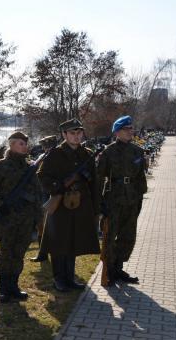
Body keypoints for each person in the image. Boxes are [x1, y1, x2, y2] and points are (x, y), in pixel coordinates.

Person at [37, 119, 100, 292]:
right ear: (64, 135)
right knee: (58, 242)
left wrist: (97, 208)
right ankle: (59, 279)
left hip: (81, 204)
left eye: (79, 133)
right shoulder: (54, 154)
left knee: (73, 241)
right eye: (72, 133)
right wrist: (59, 187)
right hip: (60, 204)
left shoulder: (87, 154)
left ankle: (70, 278)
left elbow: (95, 182)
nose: (77, 136)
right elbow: (42, 177)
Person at [0, 131, 43, 303]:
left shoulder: (29, 167)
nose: (25, 146)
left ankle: (14, 286)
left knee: (19, 253)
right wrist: (2, 204)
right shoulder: (1, 166)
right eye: (21, 144)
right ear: (12, 145)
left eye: (25, 144)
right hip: (7, 219)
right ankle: (3, 289)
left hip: (26, 220)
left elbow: (38, 193)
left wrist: (37, 217)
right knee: (6, 253)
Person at [97, 115, 147, 284]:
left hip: (132, 198)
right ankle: (109, 270)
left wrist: (140, 198)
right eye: (127, 129)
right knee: (110, 236)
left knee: (128, 236)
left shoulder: (137, 151)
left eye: (132, 128)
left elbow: (141, 177)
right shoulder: (108, 152)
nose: (131, 131)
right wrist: (100, 203)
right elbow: (98, 178)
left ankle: (118, 269)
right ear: (117, 132)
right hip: (114, 198)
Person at [30, 135, 57, 263]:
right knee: (41, 225)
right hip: (40, 193)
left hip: (51, 194)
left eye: (46, 145)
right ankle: (43, 253)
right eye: (44, 146)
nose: (45, 148)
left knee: (50, 225)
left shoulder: (56, 158)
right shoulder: (43, 157)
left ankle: (48, 253)